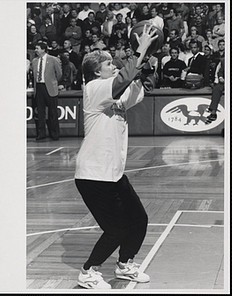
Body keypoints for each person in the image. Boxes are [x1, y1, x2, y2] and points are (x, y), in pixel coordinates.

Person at [75, 23, 158, 290]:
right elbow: (124, 78)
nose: (114, 65)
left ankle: (124, 265)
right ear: (97, 71)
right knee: (117, 229)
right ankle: (88, 272)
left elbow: (137, 86)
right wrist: (140, 48)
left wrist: (147, 64)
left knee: (139, 220)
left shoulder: (113, 98)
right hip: (93, 175)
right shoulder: (94, 88)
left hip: (112, 174)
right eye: (109, 63)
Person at [31, 41, 62, 140]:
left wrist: (54, 82)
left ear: (43, 49)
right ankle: (41, 134)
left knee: (53, 112)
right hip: (39, 87)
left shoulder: (53, 59)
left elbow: (59, 74)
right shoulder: (34, 61)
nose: (36, 50)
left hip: (50, 87)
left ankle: (54, 134)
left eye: (37, 48)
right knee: (40, 112)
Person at [205, 57, 225, 124]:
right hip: (225, 82)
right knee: (216, 88)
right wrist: (221, 77)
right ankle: (213, 112)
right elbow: (220, 72)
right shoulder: (224, 60)